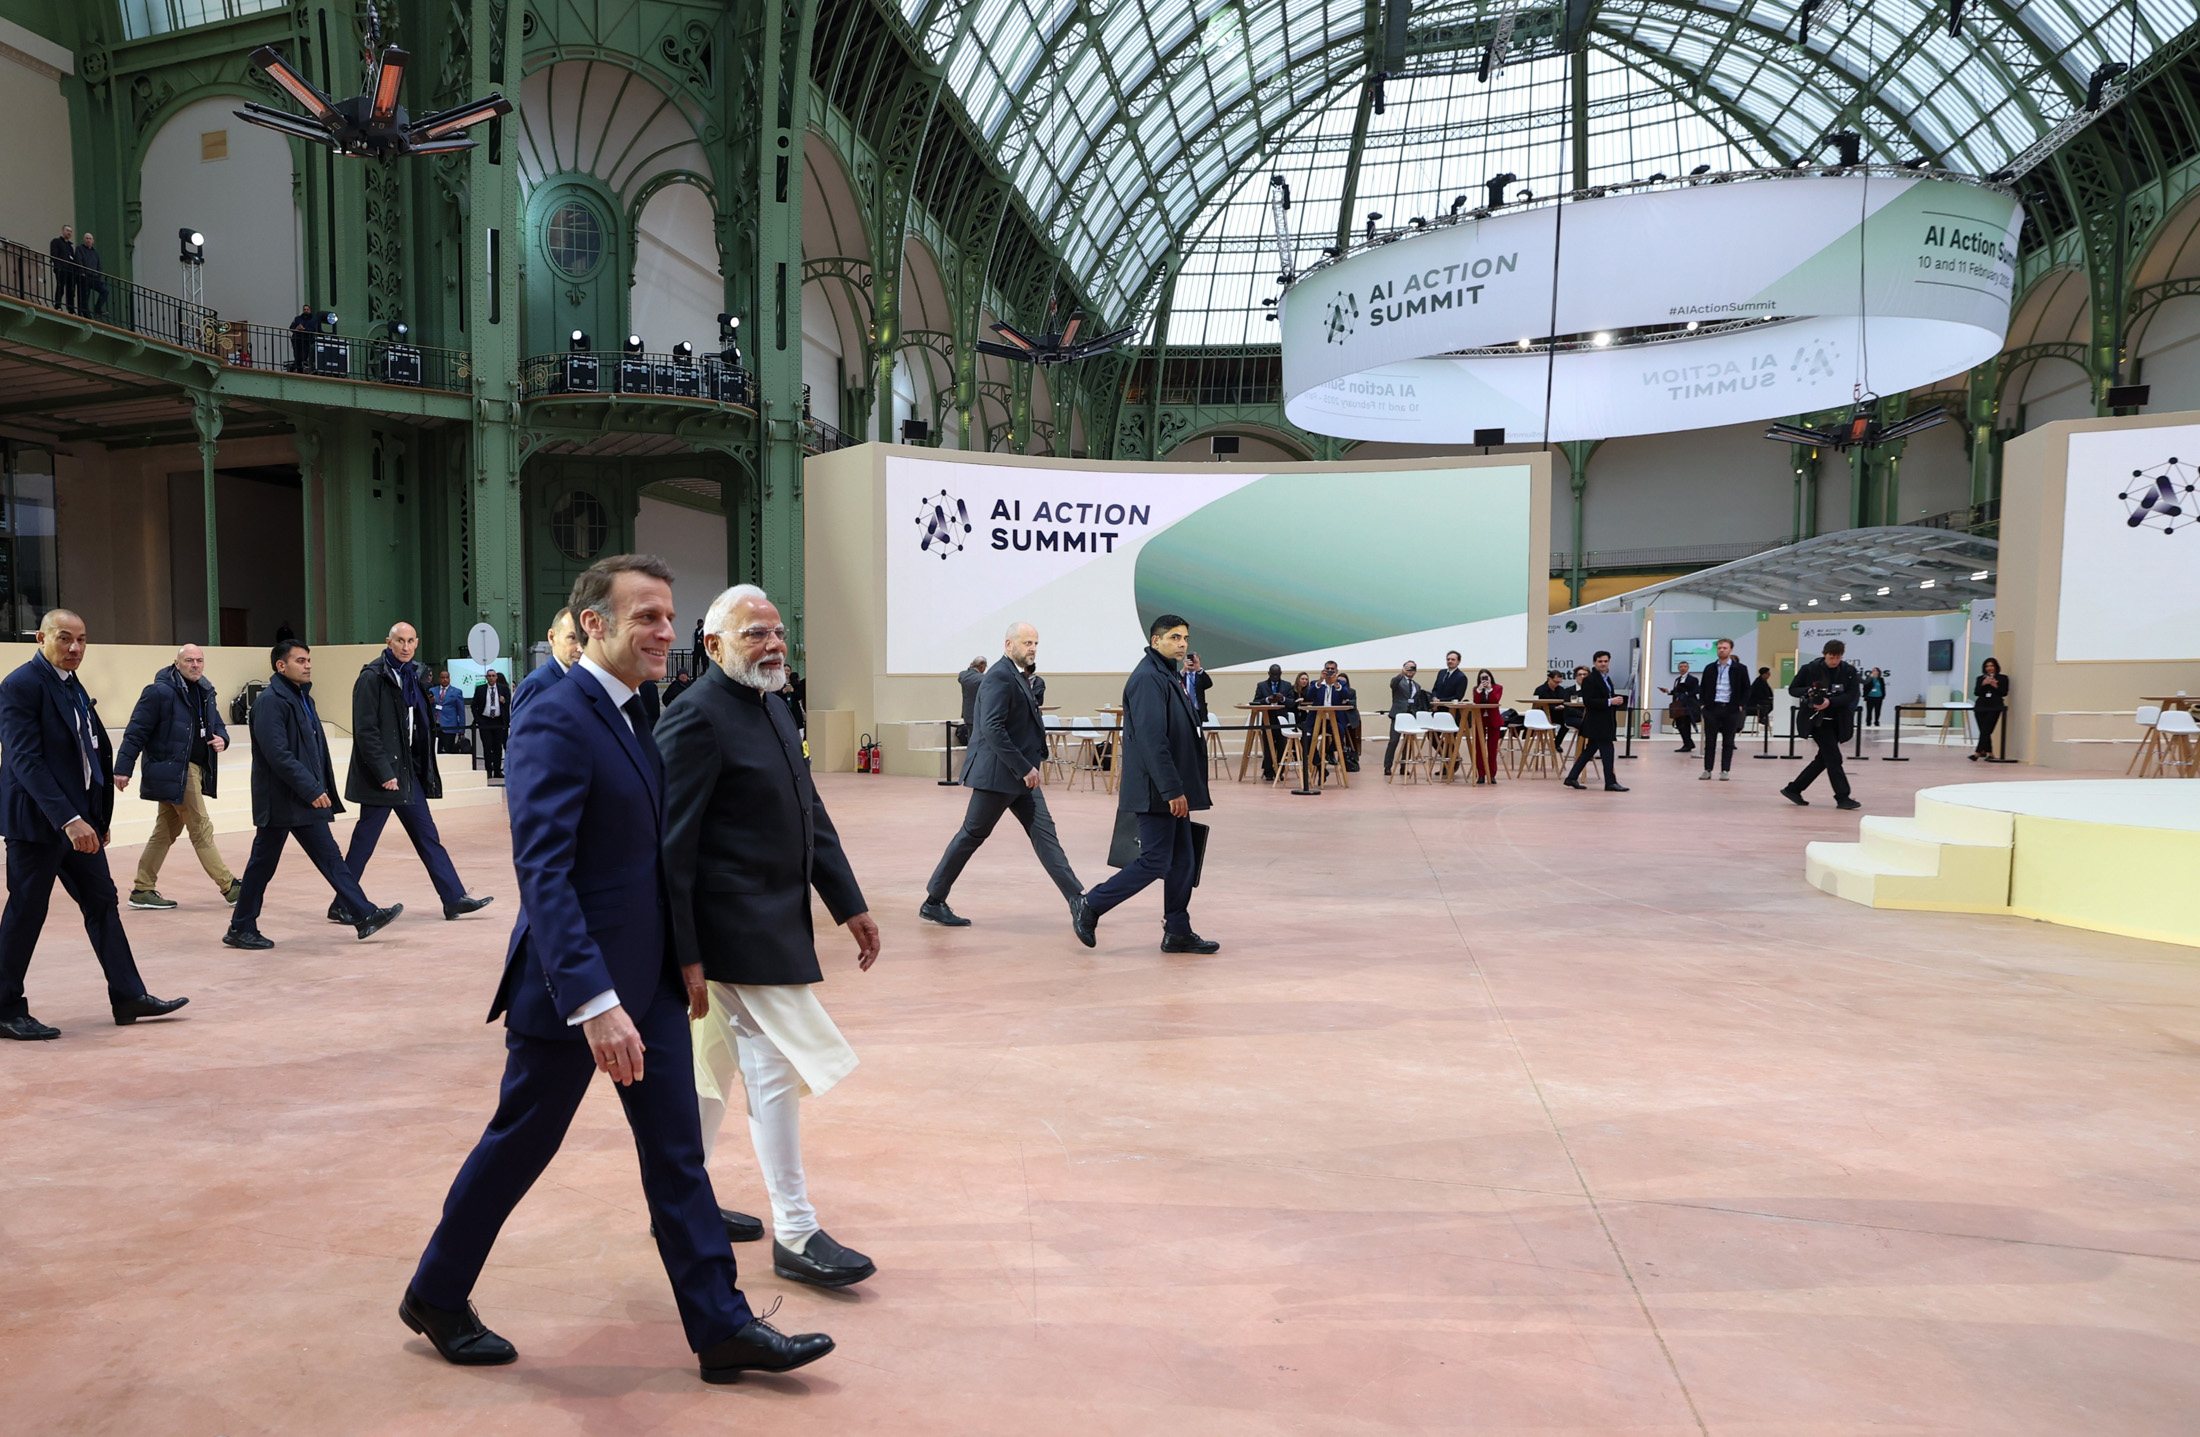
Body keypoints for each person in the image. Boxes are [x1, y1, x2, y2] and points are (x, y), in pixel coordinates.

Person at [404, 554, 833, 1382]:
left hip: (655, 983)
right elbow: (546, 870)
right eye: (646, 617)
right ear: (592, 623)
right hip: (575, 992)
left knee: (678, 1156)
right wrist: (594, 1000)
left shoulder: (639, 713)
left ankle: (722, 1327)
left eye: (671, 617)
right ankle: (436, 1291)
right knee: (520, 1145)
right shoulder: (554, 714)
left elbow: (657, 859)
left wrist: (687, 959)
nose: (666, 633)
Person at [661, 583, 881, 1289]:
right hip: (732, 934)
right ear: (715, 644)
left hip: (774, 925)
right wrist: (686, 952)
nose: (774, 644)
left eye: (779, 631)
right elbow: (670, 847)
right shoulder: (694, 718)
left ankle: (679, 1200)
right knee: (771, 1068)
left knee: (713, 1072)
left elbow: (808, 809)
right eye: (755, 634)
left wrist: (848, 901)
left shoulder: (776, 706)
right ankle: (795, 1230)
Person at [0, 610, 189, 1041]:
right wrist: (69, 820)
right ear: (40, 638)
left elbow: (88, 754)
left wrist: (96, 820)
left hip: (80, 824)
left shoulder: (71, 685)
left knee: (102, 903)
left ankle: (128, 996)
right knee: (27, 911)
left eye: (82, 640)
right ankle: (5, 1006)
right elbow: (24, 761)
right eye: (65, 639)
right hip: (38, 825)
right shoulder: (20, 686)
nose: (75, 648)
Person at [222, 640, 403, 950]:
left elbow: (313, 749)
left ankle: (363, 914)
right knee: (270, 864)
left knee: (323, 858)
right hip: (283, 800)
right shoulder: (270, 702)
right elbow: (277, 754)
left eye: (308, 660)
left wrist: (320, 787)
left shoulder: (302, 698)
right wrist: (312, 788)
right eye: (300, 660)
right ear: (281, 666)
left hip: (299, 798)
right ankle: (242, 927)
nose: (307, 665)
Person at [330, 622, 494, 926]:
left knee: (427, 836)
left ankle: (453, 898)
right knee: (364, 842)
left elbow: (419, 724)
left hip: (406, 774)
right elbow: (366, 731)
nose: (405, 647)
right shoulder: (372, 677)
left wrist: (422, 768)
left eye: (410, 641)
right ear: (388, 642)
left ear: (416, 643)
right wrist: (383, 772)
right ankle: (342, 903)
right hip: (383, 777)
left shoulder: (415, 675)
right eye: (399, 641)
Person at [923, 621, 1084, 927]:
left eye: (1035, 643)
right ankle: (934, 900)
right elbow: (993, 729)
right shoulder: (999, 676)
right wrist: (1024, 767)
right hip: (1000, 776)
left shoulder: (1020, 677)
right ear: (1008, 645)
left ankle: (1078, 900)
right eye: (1027, 643)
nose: (1033, 648)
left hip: (1021, 777)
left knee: (1045, 837)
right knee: (971, 836)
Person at [1071, 614, 1215, 954]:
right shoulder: (1148, 679)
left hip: (1171, 787)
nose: (1182, 644)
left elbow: (1191, 722)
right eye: (1174, 638)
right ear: (1156, 641)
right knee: (1155, 860)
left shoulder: (1169, 676)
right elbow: (1152, 741)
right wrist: (1171, 790)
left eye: (1185, 638)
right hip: (1157, 792)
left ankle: (1178, 929)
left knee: (1184, 860)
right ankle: (1090, 904)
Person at [114, 642, 241, 909]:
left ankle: (142, 889)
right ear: (177, 663)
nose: (195, 665)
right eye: (189, 660)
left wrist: (223, 739)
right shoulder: (159, 692)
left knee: (165, 831)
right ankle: (230, 887)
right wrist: (123, 768)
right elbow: (136, 731)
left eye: (199, 660)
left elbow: (217, 724)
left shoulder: (205, 691)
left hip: (191, 768)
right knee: (200, 827)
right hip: (175, 769)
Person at [1781, 638, 1862, 810]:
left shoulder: (1849, 671)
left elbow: (1852, 694)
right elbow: (1793, 689)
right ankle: (1843, 797)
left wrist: (1830, 702)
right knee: (1834, 758)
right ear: (1824, 655)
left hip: (1839, 721)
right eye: (1831, 657)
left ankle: (1793, 789)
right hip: (1817, 721)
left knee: (1823, 759)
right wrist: (1808, 691)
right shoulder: (1810, 669)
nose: (1834, 661)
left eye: (1838, 658)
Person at [1563, 650, 1629, 792]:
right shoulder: (1590, 679)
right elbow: (1589, 701)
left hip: (1605, 720)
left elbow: (1605, 696)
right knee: (1607, 750)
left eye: (1605, 661)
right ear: (1594, 662)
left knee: (1589, 750)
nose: (1603, 664)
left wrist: (1615, 701)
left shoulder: (1606, 678)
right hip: (1597, 722)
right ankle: (1610, 782)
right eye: (1600, 661)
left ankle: (1572, 777)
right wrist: (1609, 701)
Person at [1696, 639, 1749, 781]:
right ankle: (1707, 769)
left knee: (1728, 741)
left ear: (1731, 649)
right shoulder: (1710, 668)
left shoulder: (1740, 669)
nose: (1721, 650)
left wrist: (1740, 705)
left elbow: (1746, 689)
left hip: (1731, 709)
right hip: (1712, 708)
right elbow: (1703, 687)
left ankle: (1725, 769)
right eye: (1719, 648)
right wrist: (1703, 705)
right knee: (1710, 741)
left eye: (1725, 648)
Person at [512, 607, 582, 712]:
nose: (580, 648)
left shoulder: (589, 683)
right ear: (551, 637)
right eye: (572, 638)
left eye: (586, 639)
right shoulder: (534, 685)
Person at [1382, 661, 1429, 776]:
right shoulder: (1398, 681)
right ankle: (1387, 766)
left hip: (1410, 716)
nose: (1410, 670)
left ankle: (1404, 766)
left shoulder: (1417, 686)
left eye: (1413, 668)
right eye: (1408, 668)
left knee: (1408, 743)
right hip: (1398, 714)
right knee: (1393, 741)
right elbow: (1393, 684)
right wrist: (1401, 673)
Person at [471, 669, 512, 778]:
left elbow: (508, 704)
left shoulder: (503, 689)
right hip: (485, 720)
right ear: (486, 677)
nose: (491, 678)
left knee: (498, 747)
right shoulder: (480, 689)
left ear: (496, 677)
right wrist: (478, 719)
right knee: (487, 746)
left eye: (493, 676)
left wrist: (504, 701)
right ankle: (488, 770)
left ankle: (497, 770)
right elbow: (474, 705)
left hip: (498, 721)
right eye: (489, 676)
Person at [1466, 669, 1502, 781]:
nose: (1485, 680)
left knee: (1492, 748)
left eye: (1487, 677)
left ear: (1491, 678)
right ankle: (1481, 774)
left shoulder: (1497, 688)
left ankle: (1492, 775)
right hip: (1480, 719)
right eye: (1482, 678)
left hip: (1493, 720)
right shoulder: (1476, 689)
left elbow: (1495, 701)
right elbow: (1476, 702)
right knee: (1479, 747)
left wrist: (1489, 689)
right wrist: (1479, 690)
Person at [1971, 657, 2009, 761]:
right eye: (1987, 666)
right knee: (1984, 730)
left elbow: (2004, 692)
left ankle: (1977, 753)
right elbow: (1977, 692)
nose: (1989, 668)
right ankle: (1990, 753)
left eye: (1991, 666)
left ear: (1996, 667)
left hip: (1994, 706)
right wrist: (1983, 684)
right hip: (1981, 706)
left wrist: (1995, 685)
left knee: (1987, 729)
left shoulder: (2003, 678)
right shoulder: (1980, 678)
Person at [1661, 661, 1700, 753]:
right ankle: (1688, 743)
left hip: (1688, 706)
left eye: (1685, 666)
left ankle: (1688, 744)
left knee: (1685, 724)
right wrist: (1668, 691)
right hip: (1679, 706)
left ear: (1688, 668)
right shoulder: (1677, 679)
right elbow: (1676, 691)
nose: (1683, 668)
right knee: (1680, 724)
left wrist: (1686, 694)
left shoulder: (1693, 679)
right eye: (1681, 666)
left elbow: (1696, 690)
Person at [430, 669, 467, 752]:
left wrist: (462, 729)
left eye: (447, 677)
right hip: (435, 725)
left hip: (449, 726)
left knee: (448, 750)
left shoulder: (457, 692)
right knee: (434, 750)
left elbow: (461, 712)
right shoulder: (432, 690)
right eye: (443, 678)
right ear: (439, 679)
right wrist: (430, 701)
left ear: (449, 679)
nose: (445, 679)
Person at [955, 656, 987, 746]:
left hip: (967, 713)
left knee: (971, 740)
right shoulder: (982, 678)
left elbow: (961, 677)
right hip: (978, 714)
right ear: (982, 667)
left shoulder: (963, 675)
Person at [75, 232, 107, 320]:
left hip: (94, 277)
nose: (88, 240)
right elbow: (79, 261)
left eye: (90, 238)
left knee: (105, 291)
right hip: (85, 277)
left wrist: (99, 276)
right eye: (87, 238)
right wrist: (82, 273)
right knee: (85, 298)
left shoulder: (95, 252)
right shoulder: (80, 249)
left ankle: (97, 309)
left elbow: (99, 265)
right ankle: (87, 317)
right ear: (84, 240)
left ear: (93, 241)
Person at [48, 224, 78, 315]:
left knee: (71, 290)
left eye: (70, 231)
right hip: (61, 269)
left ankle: (71, 308)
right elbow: (54, 254)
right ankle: (58, 305)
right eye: (67, 230)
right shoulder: (56, 242)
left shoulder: (70, 247)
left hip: (70, 271)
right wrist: (58, 266)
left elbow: (73, 259)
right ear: (63, 231)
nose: (69, 232)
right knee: (60, 287)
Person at [1181, 650, 1214, 722]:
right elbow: (1175, 683)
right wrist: (1184, 669)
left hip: (1198, 710)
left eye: (1194, 660)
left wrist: (1198, 668)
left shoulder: (1200, 676)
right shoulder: (1181, 675)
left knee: (1198, 731)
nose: (1192, 662)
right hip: (1184, 710)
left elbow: (1209, 684)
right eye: (1189, 660)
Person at [288, 305, 318, 373]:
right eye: (304, 309)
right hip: (297, 339)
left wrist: (304, 329)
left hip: (306, 341)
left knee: (303, 357)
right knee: (297, 356)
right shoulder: (298, 318)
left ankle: (292, 368)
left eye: (307, 309)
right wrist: (296, 328)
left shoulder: (313, 320)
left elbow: (314, 329)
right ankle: (299, 371)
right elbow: (291, 327)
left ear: (310, 310)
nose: (306, 311)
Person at [1749, 666, 1776, 731]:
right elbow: (1758, 694)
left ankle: (1763, 717)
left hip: (1761, 700)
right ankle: (1762, 717)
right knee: (1769, 705)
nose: (1769, 675)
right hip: (1756, 702)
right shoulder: (1758, 682)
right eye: (1768, 673)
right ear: (1764, 674)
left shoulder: (1763, 681)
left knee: (1772, 704)